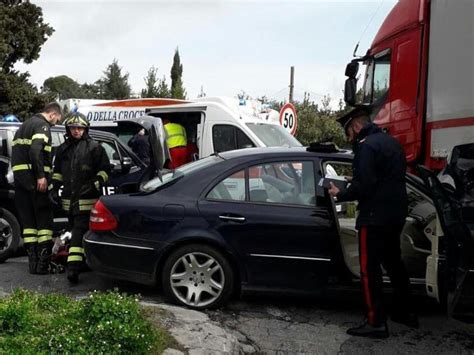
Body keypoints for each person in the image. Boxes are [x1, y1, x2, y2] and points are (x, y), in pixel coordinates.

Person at [328, 108, 417, 339]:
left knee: (369, 269)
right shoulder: (391, 143)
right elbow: (384, 177)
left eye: (348, 132)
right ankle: (405, 312)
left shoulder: (366, 146)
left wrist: (341, 192)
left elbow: (364, 186)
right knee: (394, 264)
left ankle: (375, 321)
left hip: (374, 217)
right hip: (396, 214)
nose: (349, 138)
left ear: (355, 126)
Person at [51, 113, 110, 283]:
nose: (76, 131)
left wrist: (95, 183)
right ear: (68, 130)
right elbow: (57, 173)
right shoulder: (63, 149)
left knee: (78, 231)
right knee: (74, 230)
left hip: (87, 199)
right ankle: (83, 262)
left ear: (85, 129)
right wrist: (54, 188)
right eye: (73, 128)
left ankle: (73, 269)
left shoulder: (95, 148)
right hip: (68, 201)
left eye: (80, 128)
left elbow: (105, 171)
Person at [12, 102, 62, 274]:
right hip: (35, 180)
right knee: (44, 222)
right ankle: (42, 265)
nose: (56, 122)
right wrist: (41, 175)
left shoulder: (24, 125)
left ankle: (32, 264)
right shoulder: (42, 125)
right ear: (53, 114)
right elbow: (35, 150)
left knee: (29, 224)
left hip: (21, 181)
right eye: (57, 119)